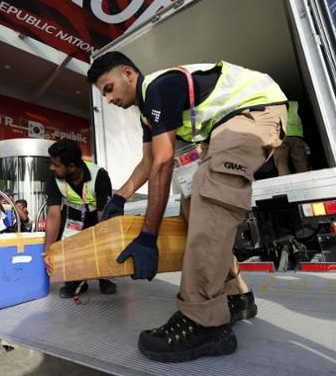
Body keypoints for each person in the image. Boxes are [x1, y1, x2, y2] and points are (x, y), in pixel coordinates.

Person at [87, 52, 287, 362]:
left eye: (109, 87)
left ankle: (204, 322)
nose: (109, 98)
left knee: (211, 190)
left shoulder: (159, 87)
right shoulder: (146, 112)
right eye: (104, 94)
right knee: (193, 206)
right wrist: (119, 197)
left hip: (252, 110)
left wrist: (148, 236)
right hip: (224, 126)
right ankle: (236, 297)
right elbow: (149, 161)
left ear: (128, 73)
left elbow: (164, 161)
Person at [42, 139, 117, 297]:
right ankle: (76, 281)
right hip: (72, 218)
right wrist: (48, 248)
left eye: (56, 165)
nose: (51, 168)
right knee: (67, 241)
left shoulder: (99, 175)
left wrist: (106, 243)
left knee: (102, 239)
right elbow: (54, 213)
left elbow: (103, 216)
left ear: (71, 166)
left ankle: (104, 277)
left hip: (96, 216)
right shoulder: (53, 180)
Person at [272, 100, 309, 175]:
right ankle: (306, 180)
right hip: (296, 137)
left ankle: (286, 182)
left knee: (281, 162)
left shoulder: (272, 107)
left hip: (281, 137)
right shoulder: (295, 105)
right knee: (301, 162)